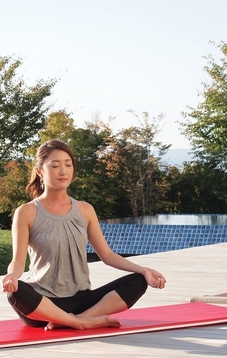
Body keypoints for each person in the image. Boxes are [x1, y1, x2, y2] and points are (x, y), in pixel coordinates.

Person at [2, 139, 166, 331]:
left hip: (82, 300)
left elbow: (107, 256)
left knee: (138, 281)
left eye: (68, 165)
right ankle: (79, 322)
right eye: (55, 165)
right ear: (40, 172)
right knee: (15, 292)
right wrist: (12, 275)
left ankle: (76, 318)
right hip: (43, 304)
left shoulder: (85, 209)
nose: (63, 171)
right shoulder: (27, 212)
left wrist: (145, 270)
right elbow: (18, 261)